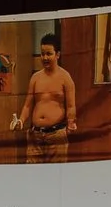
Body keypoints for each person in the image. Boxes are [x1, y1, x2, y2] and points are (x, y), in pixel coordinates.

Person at [13, 33, 78, 163]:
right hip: (35, 135)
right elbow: (28, 105)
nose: (45, 57)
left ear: (57, 54)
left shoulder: (65, 77)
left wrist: (71, 122)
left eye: (49, 54)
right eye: (42, 54)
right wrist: (20, 121)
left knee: (56, 175)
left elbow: (71, 106)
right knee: (33, 175)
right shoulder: (35, 78)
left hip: (56, 134)